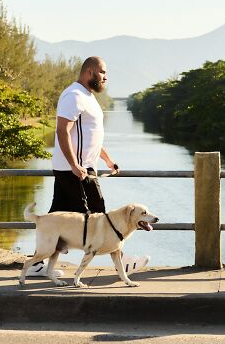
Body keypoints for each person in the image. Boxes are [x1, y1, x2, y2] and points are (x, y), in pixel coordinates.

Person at [27, 56, 150, 277]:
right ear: (90, 72)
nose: (105, 77)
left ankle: (36, 264)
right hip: (76, 170)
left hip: (79, 167)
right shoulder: (73, 96)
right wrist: (75, 165)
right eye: (102, 72)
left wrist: (107, 159)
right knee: (98, 217)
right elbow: (62, 131)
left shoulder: (88, 97)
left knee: (55, 217)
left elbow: (91, 137)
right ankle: (122, 262)